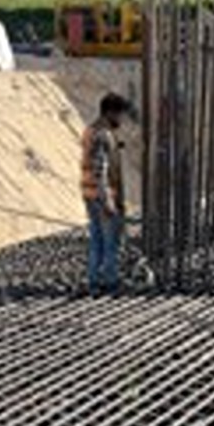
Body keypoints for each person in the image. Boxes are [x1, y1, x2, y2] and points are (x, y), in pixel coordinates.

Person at [81, 92, 132, 295]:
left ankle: (94, 280)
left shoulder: (91, 131)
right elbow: (99, 170)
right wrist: (108, 199)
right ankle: (110, 281)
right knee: (110, 241)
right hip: (101, 195)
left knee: (97, 240)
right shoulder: (102, 136)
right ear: (110, 112)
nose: (121, 120)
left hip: (89, 194)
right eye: (120, 115)